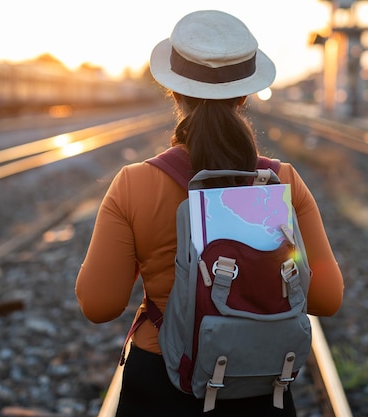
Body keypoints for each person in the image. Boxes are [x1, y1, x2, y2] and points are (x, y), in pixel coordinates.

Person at [75, 9, 344, 417]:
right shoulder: (281, 181)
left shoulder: (134, 183)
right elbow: (327, 298)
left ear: (174, 91)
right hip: (259, 383)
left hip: (162, 384)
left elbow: (99, 305)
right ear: (244, 95)